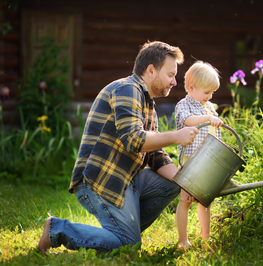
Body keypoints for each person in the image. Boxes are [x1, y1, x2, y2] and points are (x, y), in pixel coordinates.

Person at [38, 41, 199, 254]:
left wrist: (188, 183)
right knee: (128, 245)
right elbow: (134, 140)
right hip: (101, 180)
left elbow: (155, 156)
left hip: (126, 179)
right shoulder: (127, 89)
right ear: (151, 70)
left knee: (172, 184)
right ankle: (57, 229)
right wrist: (177, 137)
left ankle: (119, 232)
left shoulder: (148, 104)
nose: (174, 81)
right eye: (170, 74)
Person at [174, 61, 224, 249]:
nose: (209, 96)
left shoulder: (209, 107)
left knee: (205, 201)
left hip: (208, 162)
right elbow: (187, 121)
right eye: (206, 92)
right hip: (190, 162)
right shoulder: (183, 105)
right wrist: (208, 118)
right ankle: (183, 240)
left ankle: (206, 237)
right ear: (192, 87)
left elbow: (213, 133)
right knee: (185, 201)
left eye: (212, 93)